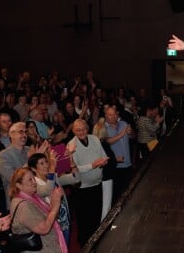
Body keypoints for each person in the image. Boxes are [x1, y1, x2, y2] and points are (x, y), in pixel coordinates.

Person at [67, 119, 109, 247]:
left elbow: (103, 155)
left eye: (84, 129)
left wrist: (104, 162)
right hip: (82, 188)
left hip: (97, 184)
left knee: (96, 215)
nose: (81, 132)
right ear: (73, 131)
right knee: (84, 219)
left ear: (88, 128)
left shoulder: (95, 139)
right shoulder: (71, 145)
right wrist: (93, 165)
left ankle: (96, 242)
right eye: (78, 130)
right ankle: (85, 245)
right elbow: (74, 168)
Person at [9, 167, 68, 253]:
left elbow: (53, 217)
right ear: (19, 185)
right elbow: (44, 229)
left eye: (34, 178)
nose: (34, 182)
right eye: (30, 180)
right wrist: (55, 206)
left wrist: (54, 202)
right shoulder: (22, 205)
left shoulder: (34, 197)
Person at [28, 150, 80, 245]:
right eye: (41, 163)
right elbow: (47, 190)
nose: (46, 165)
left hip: (64, 222)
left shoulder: (52, 177)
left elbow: (76, 178)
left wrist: (72, 164)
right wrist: (52, 168)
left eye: (46, 162)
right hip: (52, 225)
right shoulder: (35, 184)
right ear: (34, 169)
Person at [105, 106, 133, 204]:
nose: (112, 117)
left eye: (114, 114)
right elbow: (107, 142)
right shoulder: (103, 128)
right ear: (106, 116)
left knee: (128, 190)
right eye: (110, 114)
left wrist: (131, 133)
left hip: (127, 163)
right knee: (116, 193)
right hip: (115, 166)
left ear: (117, 115)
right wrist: (121, 134)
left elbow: (133, 137)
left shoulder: (124, 123)